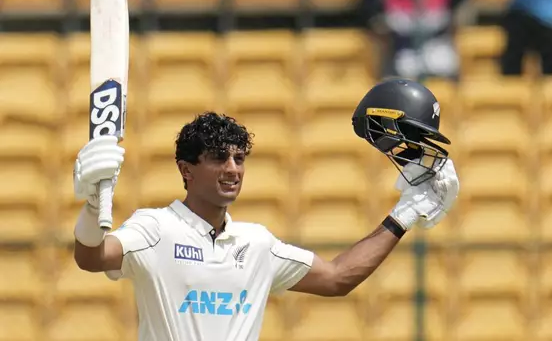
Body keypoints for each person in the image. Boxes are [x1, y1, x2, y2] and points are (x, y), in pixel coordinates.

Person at [72, 78, 459, 341]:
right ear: (186, 170)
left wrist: (404, 214)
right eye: (218, 158)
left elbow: (339, 278)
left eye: (239, 159)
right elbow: (91, 257)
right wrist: (92, 207)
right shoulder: (154, 228)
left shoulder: (256, 243)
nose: (232, 169)